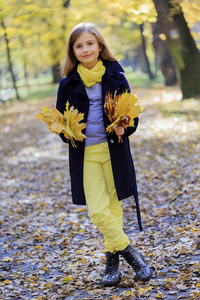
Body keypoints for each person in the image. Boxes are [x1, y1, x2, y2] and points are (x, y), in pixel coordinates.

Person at [56, 22, 153, 286]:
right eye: (79, 46)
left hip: (114, 151)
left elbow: (131, 115)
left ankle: (112, 266)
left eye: (90, 43)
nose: (85, 49)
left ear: (99, 46)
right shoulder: (67, 84)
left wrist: (125, 126)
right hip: (85, 154)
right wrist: (68, 132)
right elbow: (61, 123)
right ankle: (133, 255)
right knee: (98, 212)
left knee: (113, 208)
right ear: (73, 51)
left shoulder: (116, 77)